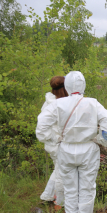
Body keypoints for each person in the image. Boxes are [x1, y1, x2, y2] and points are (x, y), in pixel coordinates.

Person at [36, 71, 107, 213]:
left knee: (70, 187)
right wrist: (101, 140)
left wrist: (56, 138)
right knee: (87, 187)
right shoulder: (92, 103)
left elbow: (41, 129)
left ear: (67, 85)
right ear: (83, 85)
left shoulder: (57, 104)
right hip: (88, 148)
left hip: (66, 149)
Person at [39, 76, 69, 206]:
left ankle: (48, 195)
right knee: (62, 172)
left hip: (51, 142)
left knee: (58, 169)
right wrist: (57, 138)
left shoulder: (48, 102)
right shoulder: (58, 104)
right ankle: (60, 201)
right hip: (57, 143)